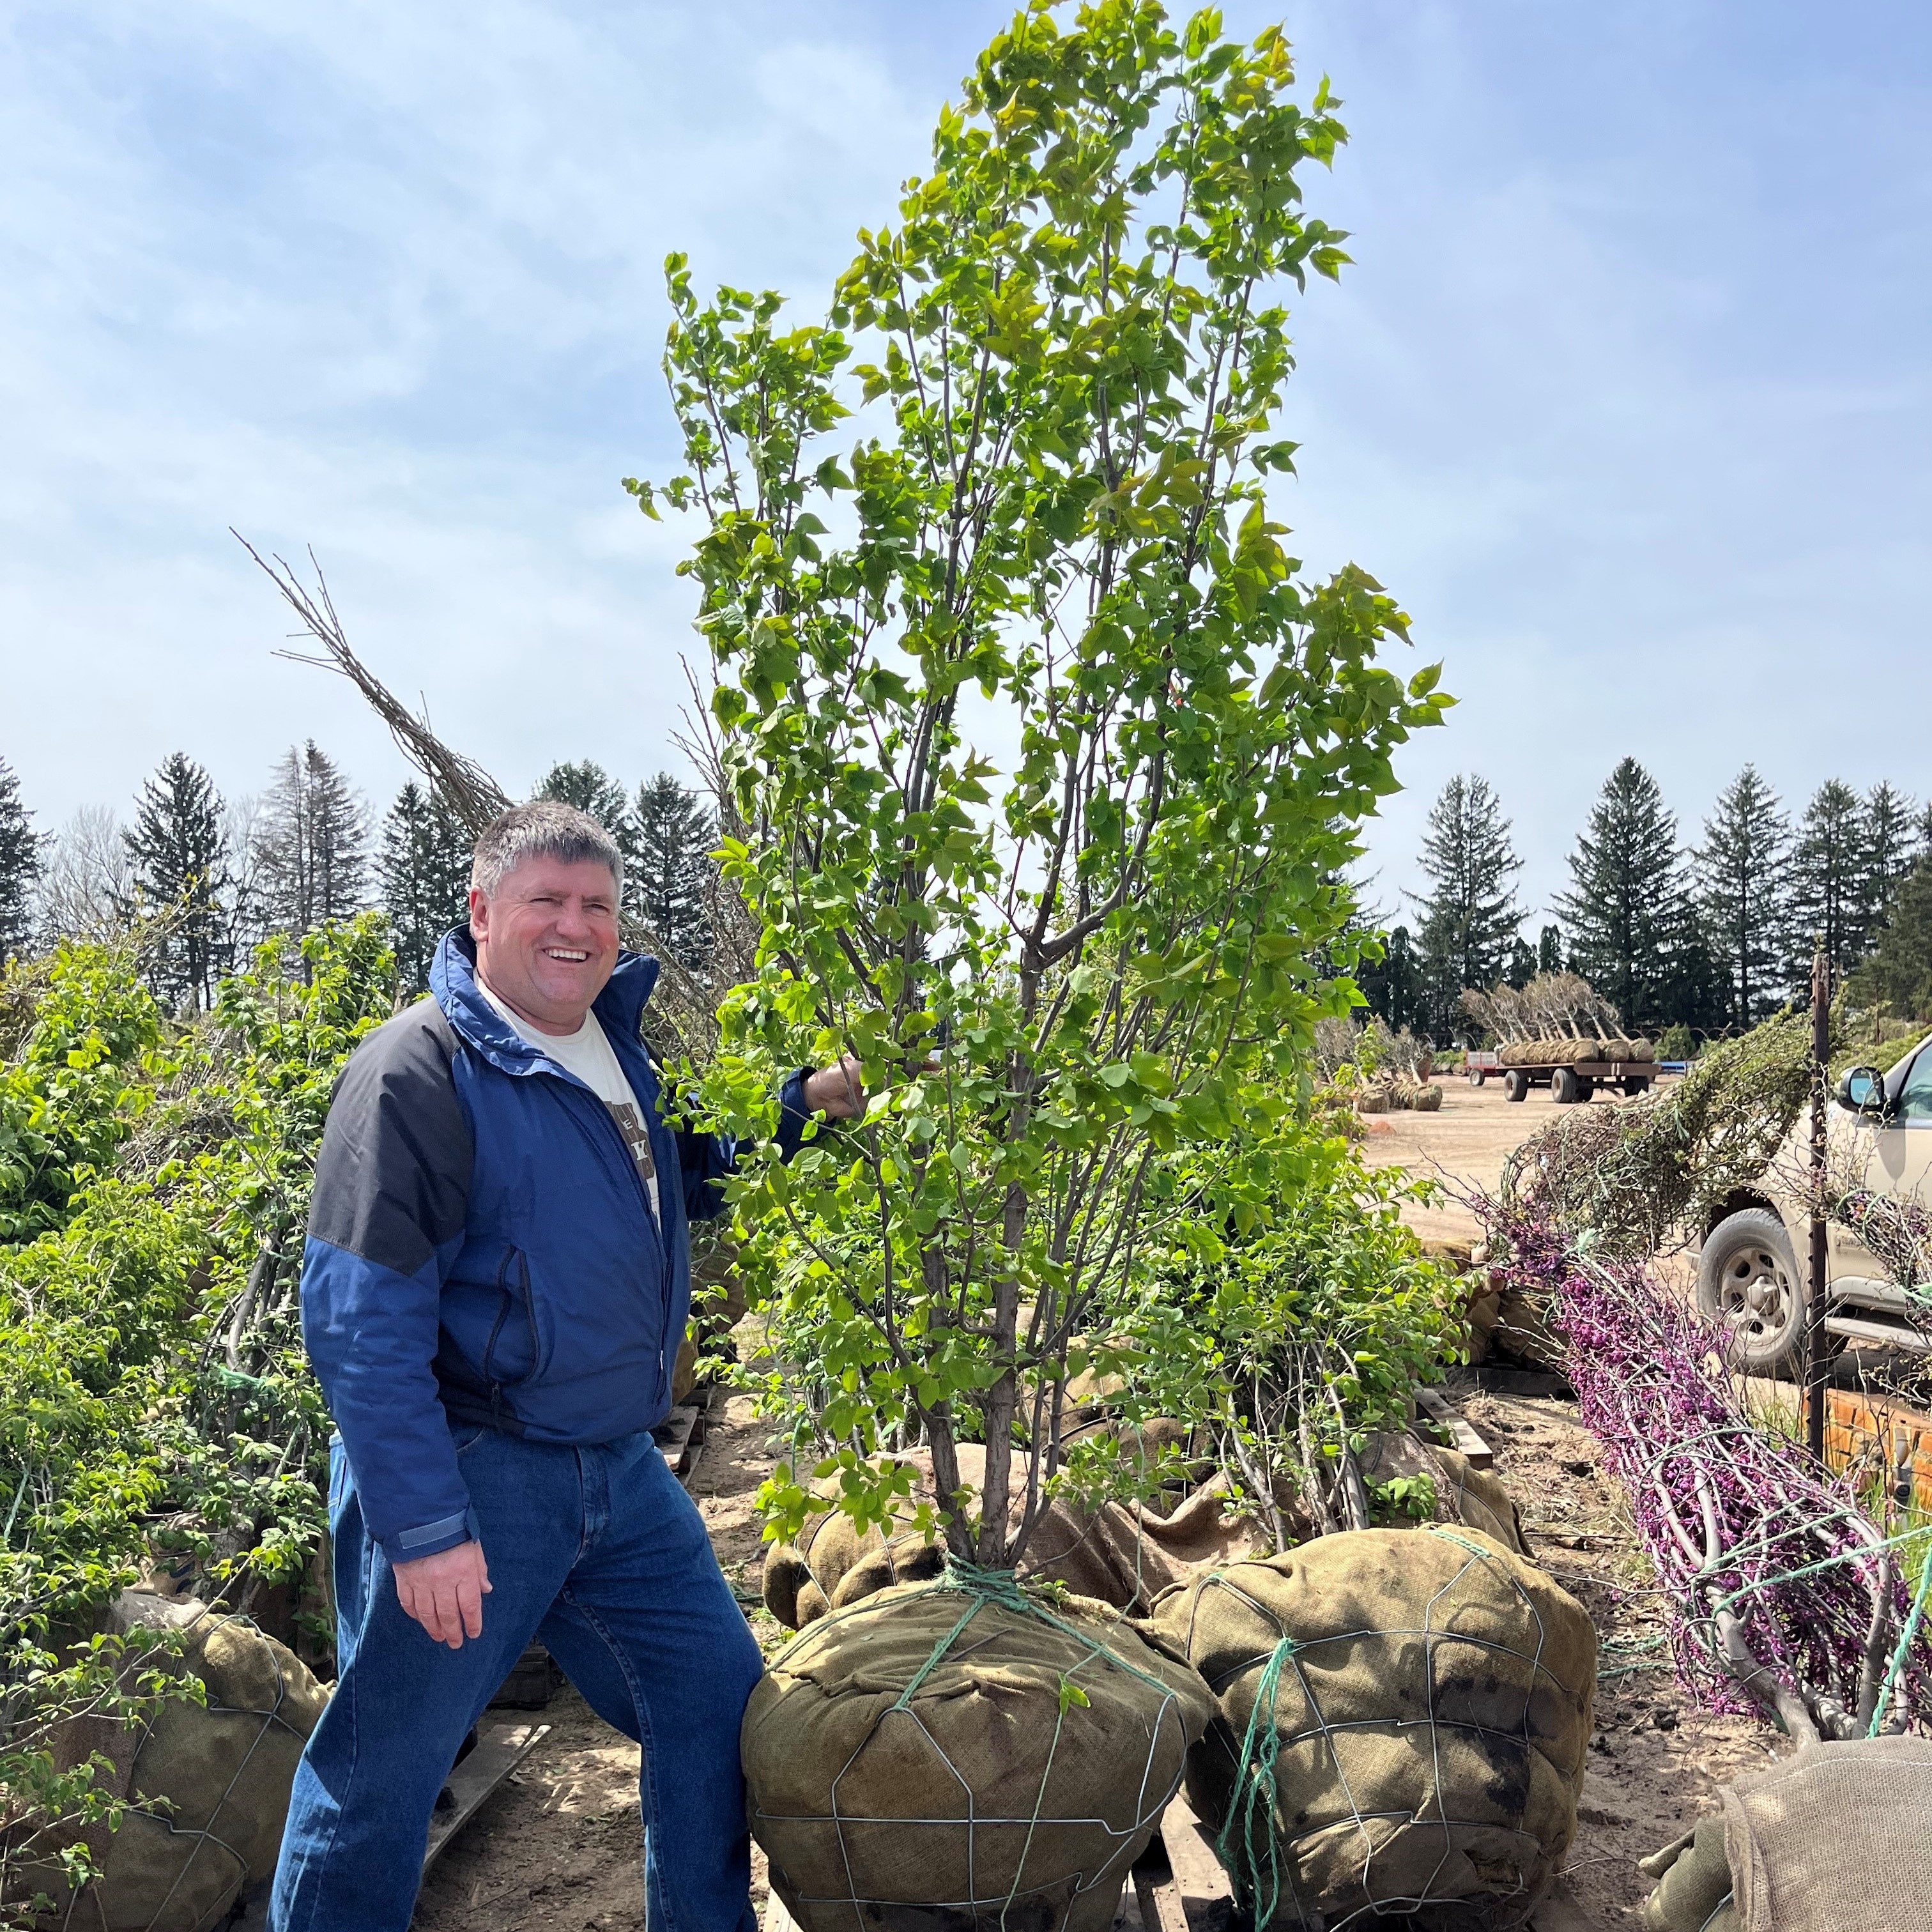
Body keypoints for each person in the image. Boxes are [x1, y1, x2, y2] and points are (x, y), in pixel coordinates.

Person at [269, 801, 862, 1932]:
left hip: (618, 1473)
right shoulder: (419, 1074)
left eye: (597, 905)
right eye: (546, 900)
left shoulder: (613, 1051)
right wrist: (426, 1527)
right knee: (385, 1764)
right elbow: (359, 1322)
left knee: (715, 1704)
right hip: (474, 1470)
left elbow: (692, 1161)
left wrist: (803, 1104)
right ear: (483, 912)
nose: (576, 927)